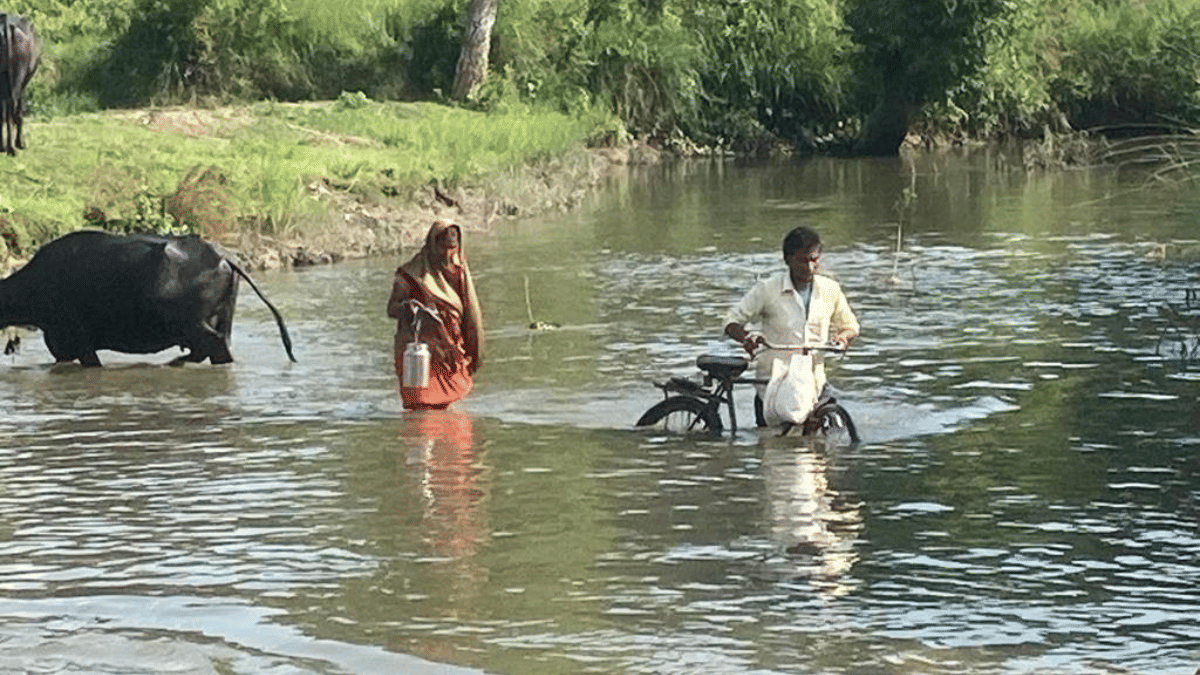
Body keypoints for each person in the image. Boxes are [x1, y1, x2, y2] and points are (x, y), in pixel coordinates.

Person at [723, 225, 859, 426]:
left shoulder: (830, 290)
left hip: (814, 385)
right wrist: (746, 337)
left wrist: (842, 337)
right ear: (788, 259)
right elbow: (731, 320)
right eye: (803, 261)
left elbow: (850, 325)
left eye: (814, 260)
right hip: (773, 388)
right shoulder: (768, 289)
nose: (810, 267)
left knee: (826, 443)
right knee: (774, 450)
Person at [387, 220, 484, 410]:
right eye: (443, 247)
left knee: (448, 406)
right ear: (432, 244)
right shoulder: (411, 274)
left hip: (450, 350)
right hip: (420, 350)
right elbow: (392, 308)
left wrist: (473, 349)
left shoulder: (459, 271)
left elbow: (471, 314)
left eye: (452, 248)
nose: (448, 254)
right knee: (421, 404)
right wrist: (410, 308)